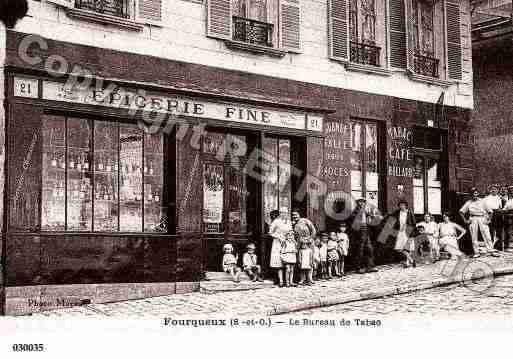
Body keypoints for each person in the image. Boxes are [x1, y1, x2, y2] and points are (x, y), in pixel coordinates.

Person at [459, 187, 499, 257]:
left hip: (482, 218)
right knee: (474, 236)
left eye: (476, 193)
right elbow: (461, 212)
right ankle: (476, 252)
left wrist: (489, 220)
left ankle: (491, 250)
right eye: (473, 193)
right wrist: (465, 220)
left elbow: (490, 212)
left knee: (487, 234)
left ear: (478, 194)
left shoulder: (483, 201)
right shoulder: (468, 202)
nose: (475, 195)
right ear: (471, 194)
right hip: (473, 218)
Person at [348, 198, 379, 274]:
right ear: (357, 203)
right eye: (360, 202)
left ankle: (370, 266)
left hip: (366, 231)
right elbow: (353, 221)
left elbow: (371, 218)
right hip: (359, 233)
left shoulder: (365, 211)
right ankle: (359, 268)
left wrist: (372, 216)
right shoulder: (355, 211)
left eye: (363, 202)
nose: (361, 204)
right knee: (360, 250)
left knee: (369, 249)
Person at [268, 207, 293, 286]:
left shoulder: (289, 222)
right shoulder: (276, 221)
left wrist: (289, 238)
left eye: (285, 213)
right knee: (279, 263)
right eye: (282, 212)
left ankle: (288, 281)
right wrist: (278, 237)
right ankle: (281, 281)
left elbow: (291, 232)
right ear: (280, 213)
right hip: (277, 243)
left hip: (287, 243)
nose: (283, 214)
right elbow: (270, 232)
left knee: (288, 261)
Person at [390, 200, 417, 268]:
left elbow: (414, 223)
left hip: (408, 232)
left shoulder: (410, 212)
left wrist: (412, 234)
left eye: (403, 205)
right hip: (400, 232)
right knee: (399, 248)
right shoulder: (397, 212)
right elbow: (391, 217)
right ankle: (411, 260)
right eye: (400, 205)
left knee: (408, 248)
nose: (401, 206)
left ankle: (407, 263)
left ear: (405, 205)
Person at [483, 184, 504, 249]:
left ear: (497, 190)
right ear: (490, 190)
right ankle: (490, 245)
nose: (493, 190)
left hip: (498, 214)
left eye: (495, 189)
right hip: (490, 214)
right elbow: (484, 207)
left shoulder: (499, 198)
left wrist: (499, 212)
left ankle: (498, 246)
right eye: (492, 189)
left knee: (499, 230)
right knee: (490, 230)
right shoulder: (487, 198)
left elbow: (500, 207)